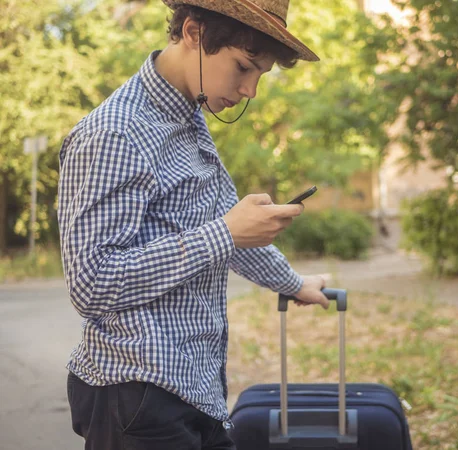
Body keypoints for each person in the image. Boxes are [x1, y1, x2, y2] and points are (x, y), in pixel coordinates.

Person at [57, 1, 327, 448]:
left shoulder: (188, 119)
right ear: (194, 33)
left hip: (197, 391)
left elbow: (230, 234)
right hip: (137, 395)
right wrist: (224, 233)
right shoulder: (113, 133)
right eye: (243, 67)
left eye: (260, 75)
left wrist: (294, 283)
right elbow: (91, 284)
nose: (250, 91)